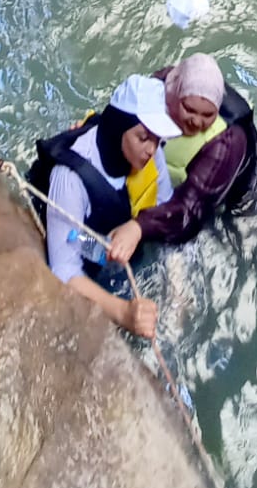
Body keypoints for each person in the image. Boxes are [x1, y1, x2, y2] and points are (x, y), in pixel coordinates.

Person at [28, 74, 181, 339]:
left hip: (122, 232)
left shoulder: (151, 151)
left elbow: (166, 206)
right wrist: (123, 313)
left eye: (157, 139)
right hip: (81, 241)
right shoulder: (71, 177)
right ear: (120, 128)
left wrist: (178, 281)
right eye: (143, 137)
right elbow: (64, 271)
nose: (151, 149)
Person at [107, 52, 257, 263]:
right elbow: (120, 121)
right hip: (167, 183)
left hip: (218, 199)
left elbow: (190, 212)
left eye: (208, 115)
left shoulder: (226, 143)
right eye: (189, 109)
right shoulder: (160, 88)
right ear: (174, 95)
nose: (196, 122)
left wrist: (139, 227)